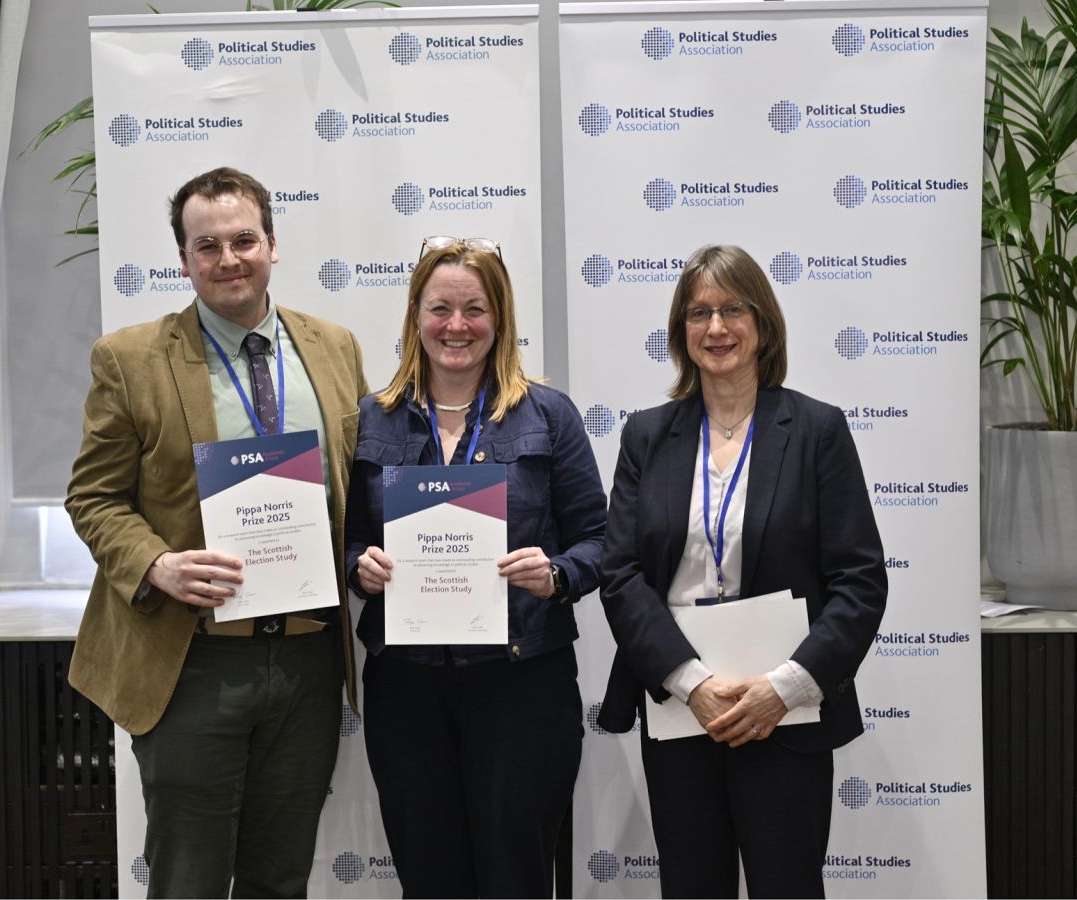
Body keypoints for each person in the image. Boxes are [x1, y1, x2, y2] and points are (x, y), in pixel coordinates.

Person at [66, 166, 368, 898]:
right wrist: (157, 565)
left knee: (279, 878)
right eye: (208, 246)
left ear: (272, 244)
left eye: (243, 240)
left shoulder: (334, 347)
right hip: (192, 660)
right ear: (184, 261)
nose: (229, 259)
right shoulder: (131, 359)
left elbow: (364, 486)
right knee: (188, 883)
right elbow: (93, 497)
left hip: (305, 660)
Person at [597, 244, 887, 899]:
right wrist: (691, 683)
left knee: (788, 886)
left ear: (763, 323)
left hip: (782, 711)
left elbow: (861, 581)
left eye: (732, 309)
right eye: (698, 313)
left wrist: (784, 689)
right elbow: (620, 576)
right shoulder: (647, 436)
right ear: (681, 332)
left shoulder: (816, 431)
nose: (717, 327)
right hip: (681, 708)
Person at [345, 236, 607, 898]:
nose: (456, 326)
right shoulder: (372, 420)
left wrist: (556, 574)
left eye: (474, 309)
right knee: (429, 880)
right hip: (407, 690)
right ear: (415, 315)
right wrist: (360, 569)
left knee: (516, 878)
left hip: (521, 685)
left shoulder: (550, 415)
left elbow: (601, 541)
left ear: (501, 318)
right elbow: (345, 542)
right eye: (439, 308)